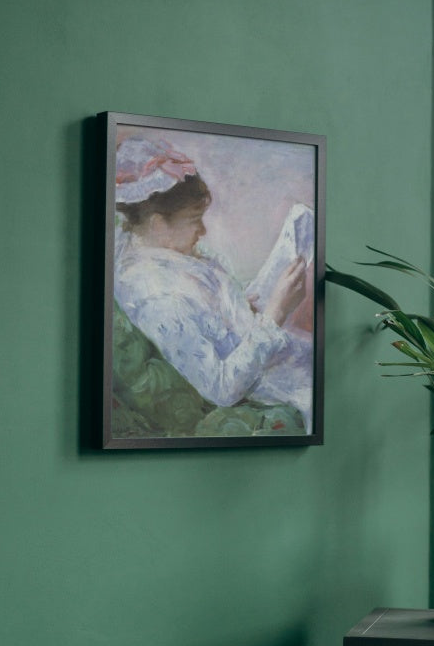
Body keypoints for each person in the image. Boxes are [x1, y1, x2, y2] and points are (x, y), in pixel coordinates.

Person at [113, 136, 313, 433]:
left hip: (264, 350)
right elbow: (221, 387)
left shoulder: (163, 254)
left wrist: (238, 305)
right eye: (195, 220)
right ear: (157, 224)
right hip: (265, 380)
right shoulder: (156, 296)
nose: (203, 230)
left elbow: (207, 313)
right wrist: (275, 314)